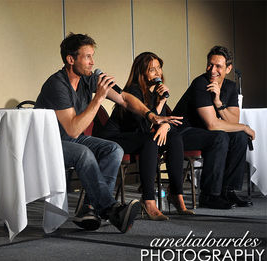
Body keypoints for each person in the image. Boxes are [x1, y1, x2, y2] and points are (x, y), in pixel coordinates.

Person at [35, 33, 182, 232]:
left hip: (73, 140)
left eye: (92, 56)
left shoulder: (88, 79)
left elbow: (124, 99)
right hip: (49, 143)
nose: (92, 62)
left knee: (114, 149)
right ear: (71, 60)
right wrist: (98, 99)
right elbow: (73, 129)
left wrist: (150, 116)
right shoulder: (57, 85)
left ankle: (90, 208)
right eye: (87, 57)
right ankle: (110, 209)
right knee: (84, 153)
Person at [94, 52, 194, 221]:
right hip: (115, 138)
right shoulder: (133, 91)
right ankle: (148, 200)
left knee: (175, 138)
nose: (157, 73)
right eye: (151, 70)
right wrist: (161, 104)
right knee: (150, 140)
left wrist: (165, 124)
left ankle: (176, 194)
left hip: (137, 137)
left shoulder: (152, 92)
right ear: (142, 73)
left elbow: (159, 122)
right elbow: (146, 127)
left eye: (159, 68)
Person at [173, 45, 255, 209]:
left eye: (218, 66)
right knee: (220, 136)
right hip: (181, 133)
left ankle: (227, 191)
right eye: (210, 64)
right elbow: (212, 125)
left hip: (203, 133)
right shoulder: (200, 83)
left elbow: (233, 121)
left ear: (228, 68)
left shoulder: (230, 87)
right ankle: (209, 195)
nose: (212, 70)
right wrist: (245, 126)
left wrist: (219, 103)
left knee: (239, 136)